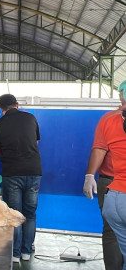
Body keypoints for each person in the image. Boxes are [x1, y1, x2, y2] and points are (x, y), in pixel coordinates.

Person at [0, 94, 42, 263]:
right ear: (17, 105)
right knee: (30, 213)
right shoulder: (31, 118)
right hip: (34, 171)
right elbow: (35, 142)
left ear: (1, 108)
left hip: (12, 172)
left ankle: (14, 254)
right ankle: (27, 252)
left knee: (14, 213)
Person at [83, 83, 125, 270]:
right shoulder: (110, 119)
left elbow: (99, 148)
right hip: (112, 186)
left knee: (111, 233)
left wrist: (90, 175)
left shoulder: (109, 119)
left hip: (112, 187)